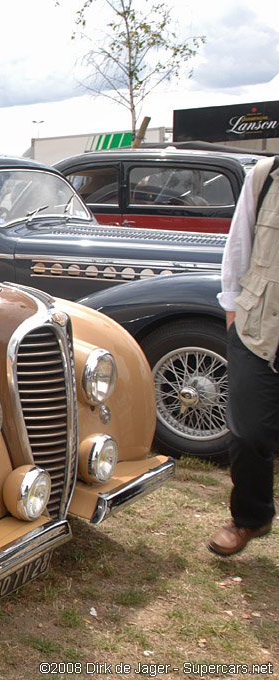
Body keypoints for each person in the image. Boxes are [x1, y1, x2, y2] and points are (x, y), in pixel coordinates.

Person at [210, 155, 279, 557]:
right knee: (248, 433)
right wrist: (233, 312)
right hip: (259, 326)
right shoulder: (266, 175)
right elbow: (239, 245)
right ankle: (251, 519)